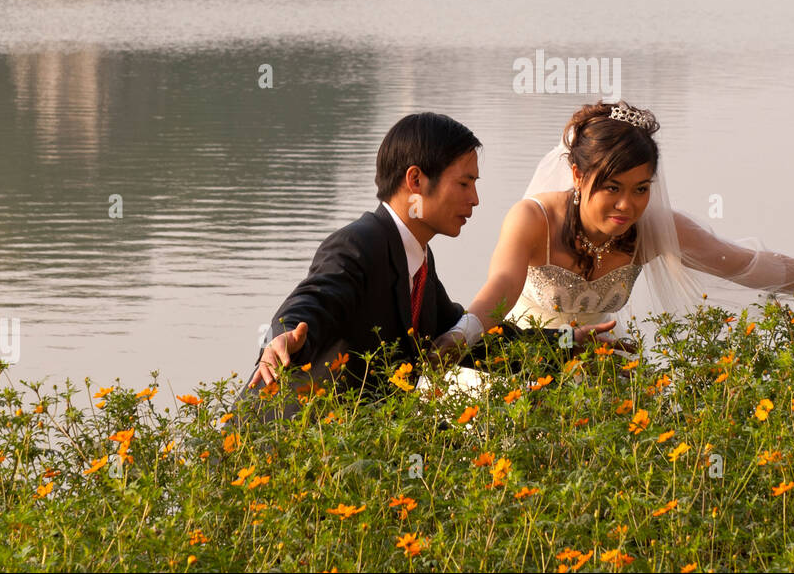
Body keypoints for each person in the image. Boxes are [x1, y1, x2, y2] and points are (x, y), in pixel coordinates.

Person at [433, 101, 794, 357]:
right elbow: (498, 294)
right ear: (578, 176)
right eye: (613, 188)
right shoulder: (534, 219)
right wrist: (456, 339)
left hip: (603, 371)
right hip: (519, 366)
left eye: (642, 188)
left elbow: (751, 268)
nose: (628, 205)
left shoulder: (649, 228)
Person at [243, 112, 616, 407]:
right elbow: (313, 302)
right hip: (279, 450)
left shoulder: (417, 260)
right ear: (416, 180)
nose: (475, 199)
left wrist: (568, 342)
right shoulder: (359, 245)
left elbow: (464, 338)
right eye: (464, 183)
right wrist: (281, 338)